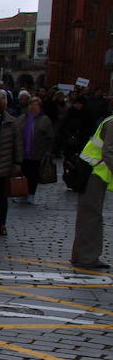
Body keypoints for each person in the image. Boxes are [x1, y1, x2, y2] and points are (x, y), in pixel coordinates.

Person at [71, 108, 113, 269]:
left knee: (88, 216)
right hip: (94, 174)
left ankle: (82, 255)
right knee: (91, 216)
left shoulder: (109, 120)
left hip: (94, 173)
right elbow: (108, 152)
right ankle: (87, 258)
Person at [0, 90, 23, 236]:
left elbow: (18, 144)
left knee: (1, 197)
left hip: (3, 163)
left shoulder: (11, 122)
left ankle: (2, 224)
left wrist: (18, 163)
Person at [19, 95, 55, 205]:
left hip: (37, 152)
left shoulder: (45, 120)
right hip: (23, 151)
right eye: (31, 104)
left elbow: (50, 137)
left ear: (40, 107)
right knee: (23, 173)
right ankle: (23, 194)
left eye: (35, 105)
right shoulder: (22, 118)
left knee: (33, 174)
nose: (33, 107)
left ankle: (31, 194)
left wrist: (49, 150)